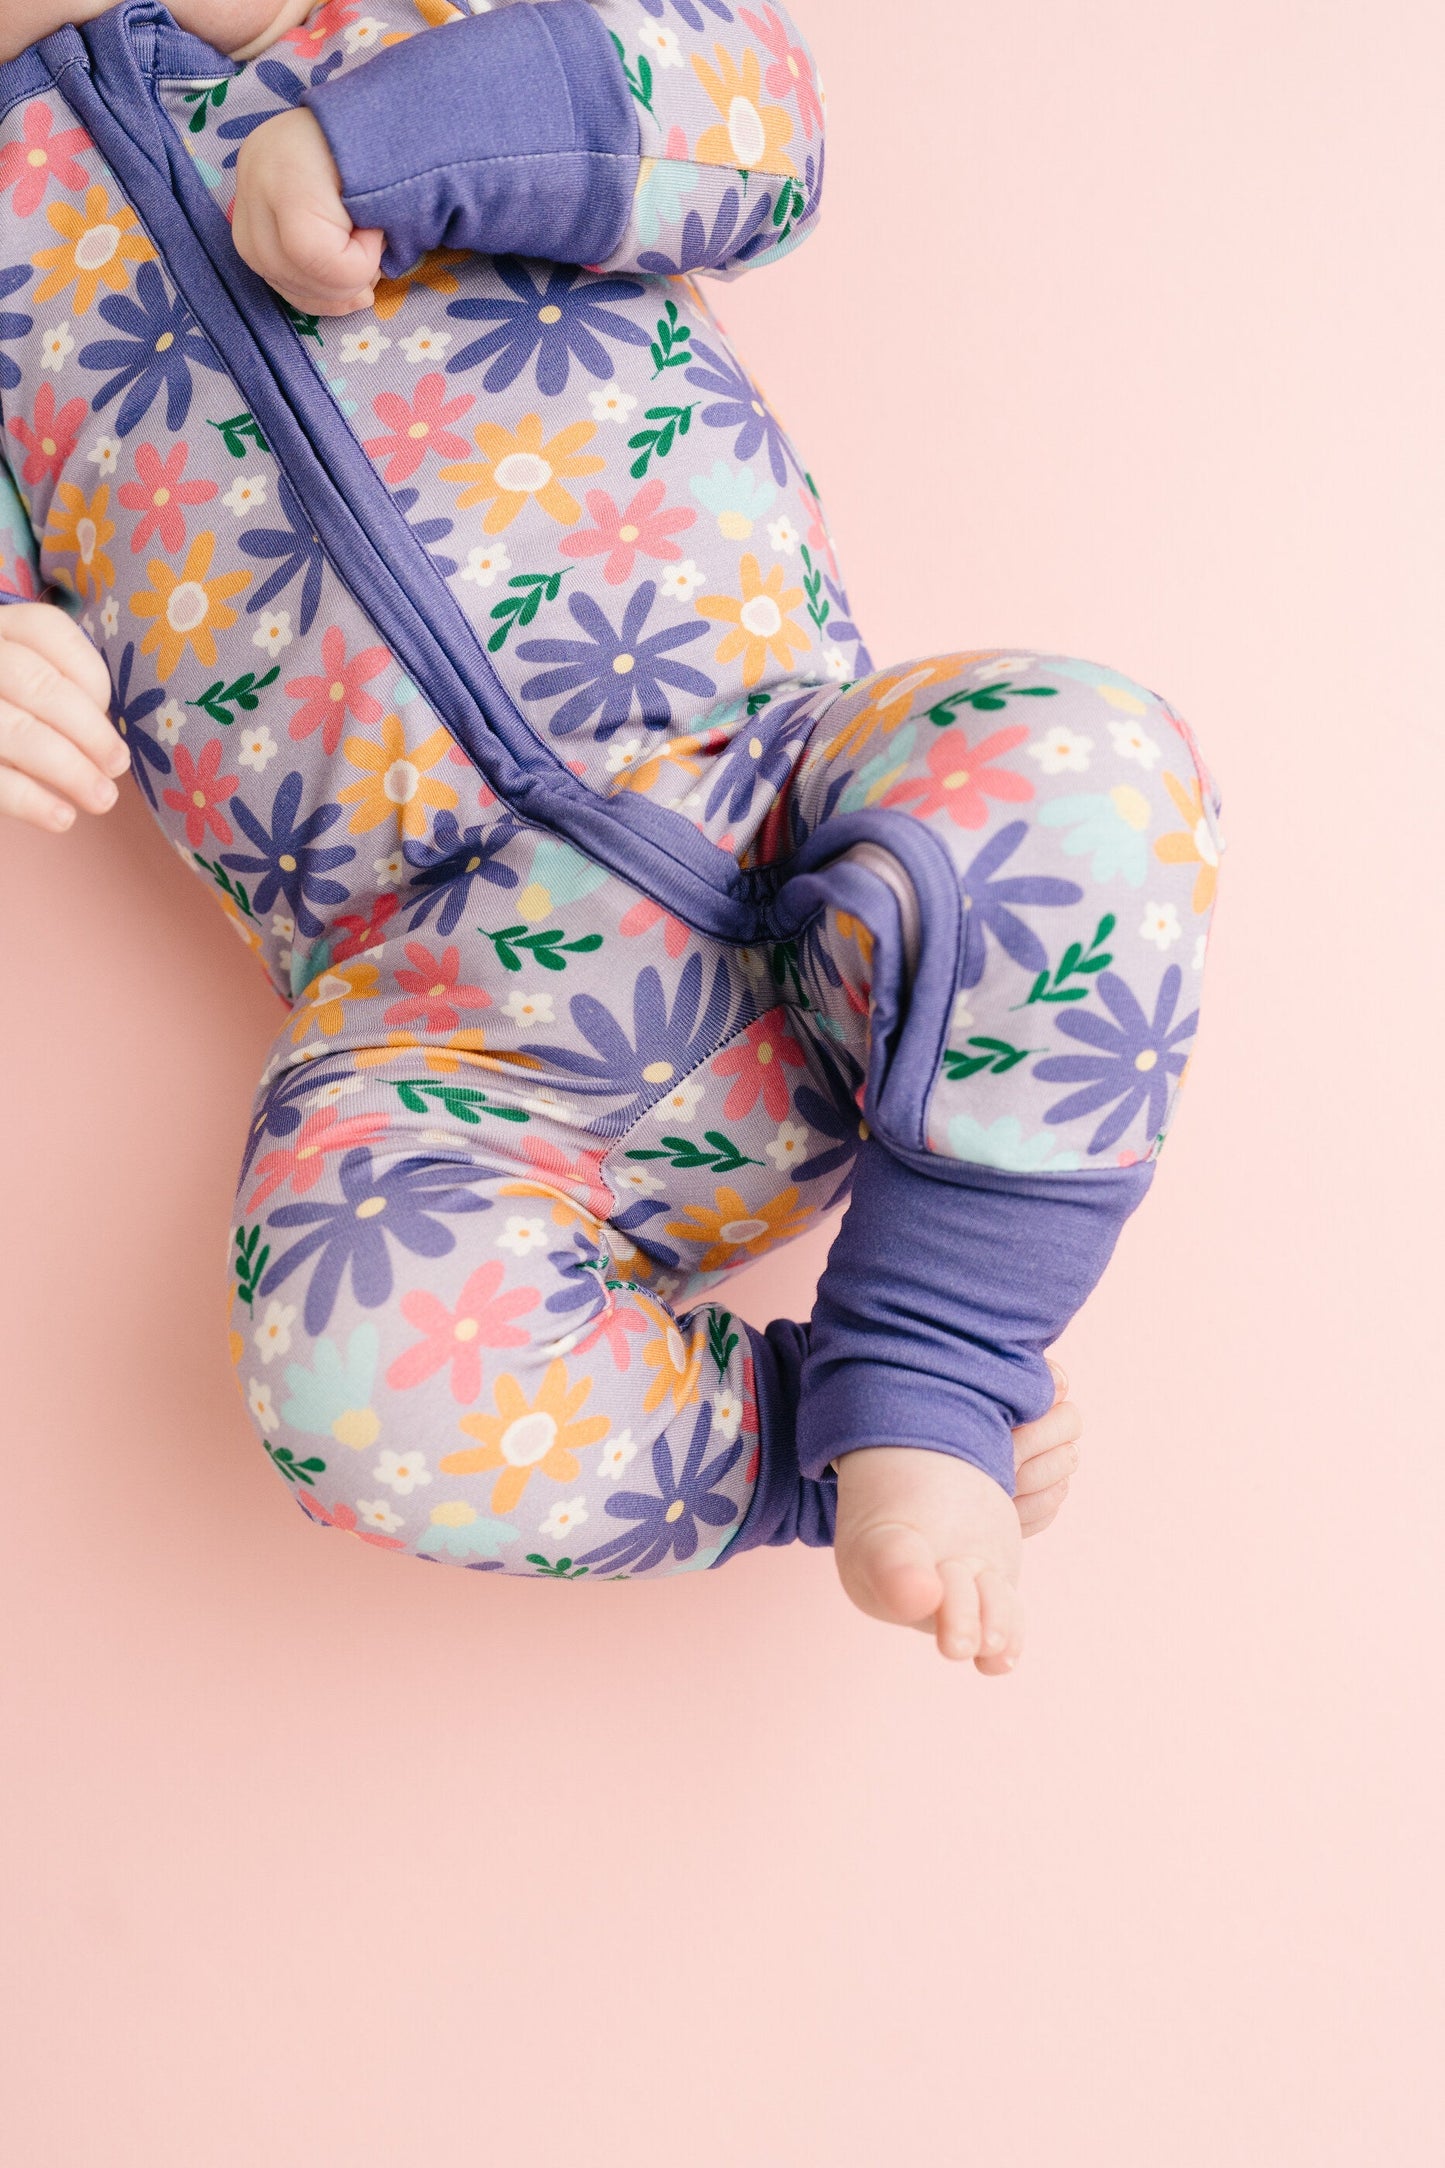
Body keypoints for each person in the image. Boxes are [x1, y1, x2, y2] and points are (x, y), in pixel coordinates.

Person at [0, 0, 1221, 1665]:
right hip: (445, 1027)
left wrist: (396, 136)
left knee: (1078, 766)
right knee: (356, 1382)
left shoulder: (439, 26)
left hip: (799, 803)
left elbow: (760, 129)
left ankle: (937, 1353)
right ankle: (829, 1434)